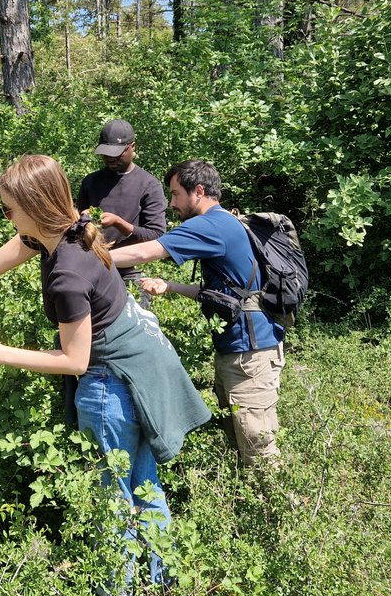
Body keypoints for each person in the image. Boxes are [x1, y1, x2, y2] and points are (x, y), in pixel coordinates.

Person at [0, 155, 208, 592]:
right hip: (146, 366)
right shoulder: (69, 232)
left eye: (8, 209)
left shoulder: (68, 274)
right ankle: (167, 587)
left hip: (114, 384)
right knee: (144, 484)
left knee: (110, 496)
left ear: (35, 208)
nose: (6, 217)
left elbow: (75, 361)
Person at [110, 159, 285, 466]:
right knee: (242, 443)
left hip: (250, 354)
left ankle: (284, 513)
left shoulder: (210, 224)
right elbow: (228, 295)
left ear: (199, 191)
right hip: (243, 351)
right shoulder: (226, 222)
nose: (172, 204)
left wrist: (88, 257)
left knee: (259, 451)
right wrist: (171, 286)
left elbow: (144, 250)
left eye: (176, 194)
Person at [76, 119, 168, 308]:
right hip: (90, 268)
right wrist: (81, 221)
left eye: (117, 153)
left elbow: (157, 236)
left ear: (132, 147)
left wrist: (119, 223)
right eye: (106, 154)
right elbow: (74, 229)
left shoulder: (148, 185)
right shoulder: (91, 182)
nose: (110, 159)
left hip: (127, 273)